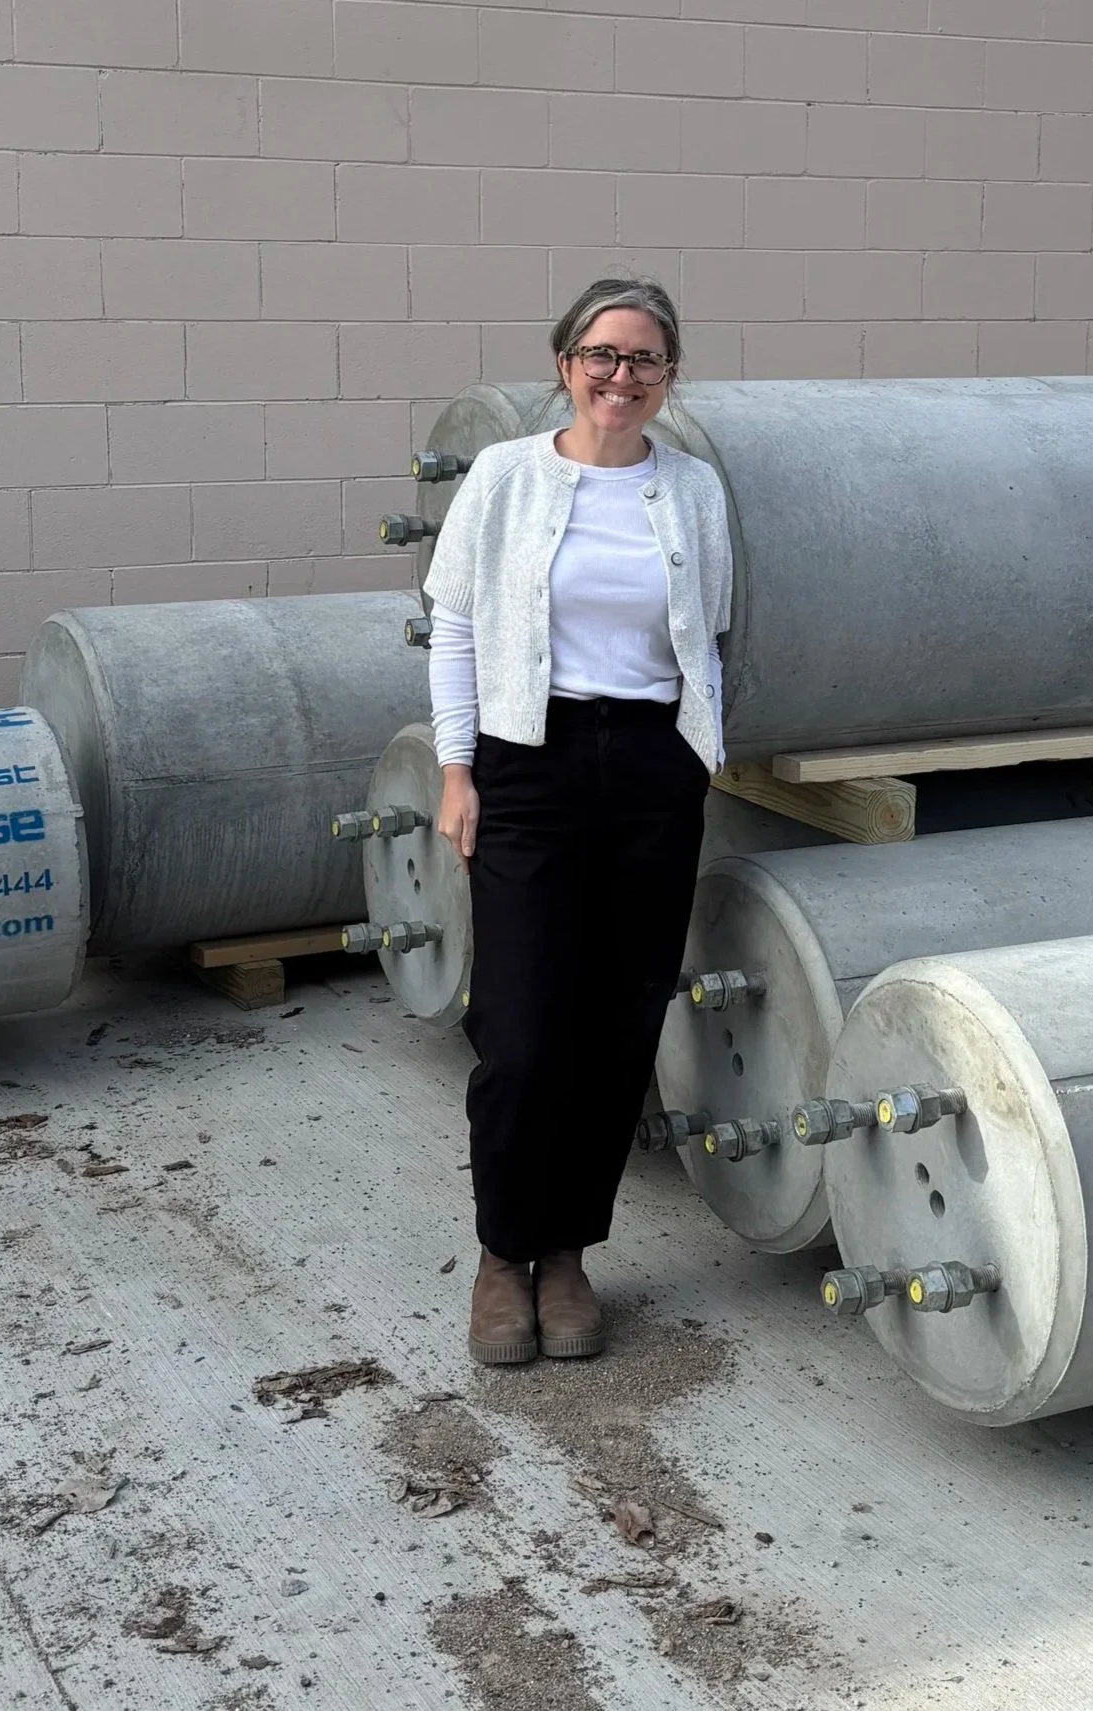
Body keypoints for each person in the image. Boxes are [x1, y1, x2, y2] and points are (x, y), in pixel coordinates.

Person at [423, 277, 734, 1366]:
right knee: (517, 1031)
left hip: (650, 767)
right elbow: (454, 622)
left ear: (667, 378)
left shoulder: (690, 490)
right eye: (601, 355)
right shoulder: (506, 477)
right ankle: (504, 1253)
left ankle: (568, 1256)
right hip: (528, 760)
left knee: (615, 1023)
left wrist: (695, 759)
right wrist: (458, 772)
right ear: (563, 365)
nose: (620, 377)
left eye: (643, 360)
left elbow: (711, 633)